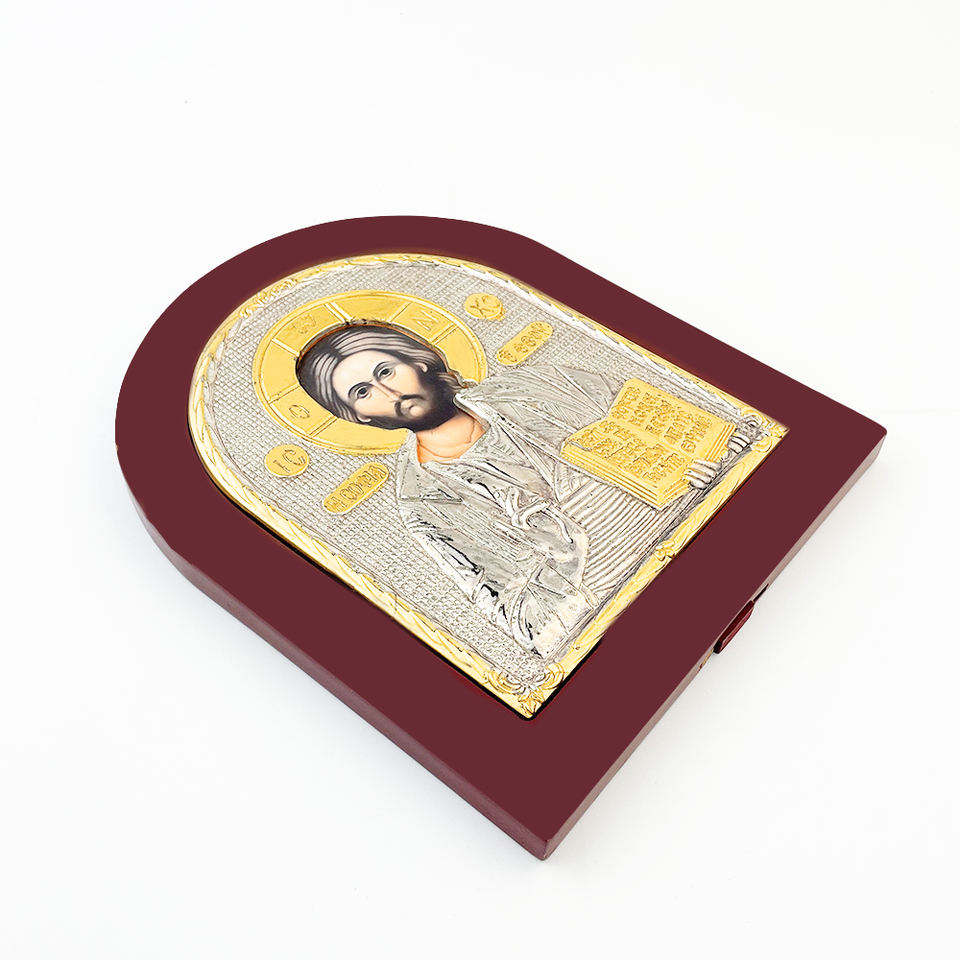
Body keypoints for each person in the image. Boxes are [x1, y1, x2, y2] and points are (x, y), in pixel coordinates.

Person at [298, 323, 745, 660]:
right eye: (363, 391)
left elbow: (697, 428)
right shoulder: (424, 501)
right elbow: (522, 624)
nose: (389, 391)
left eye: (386, 371)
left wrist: (718, 460)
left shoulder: (535, 385)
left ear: (418, 362)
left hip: (720, 533)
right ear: (357, 416)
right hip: (637, 614)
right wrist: (563, 557)